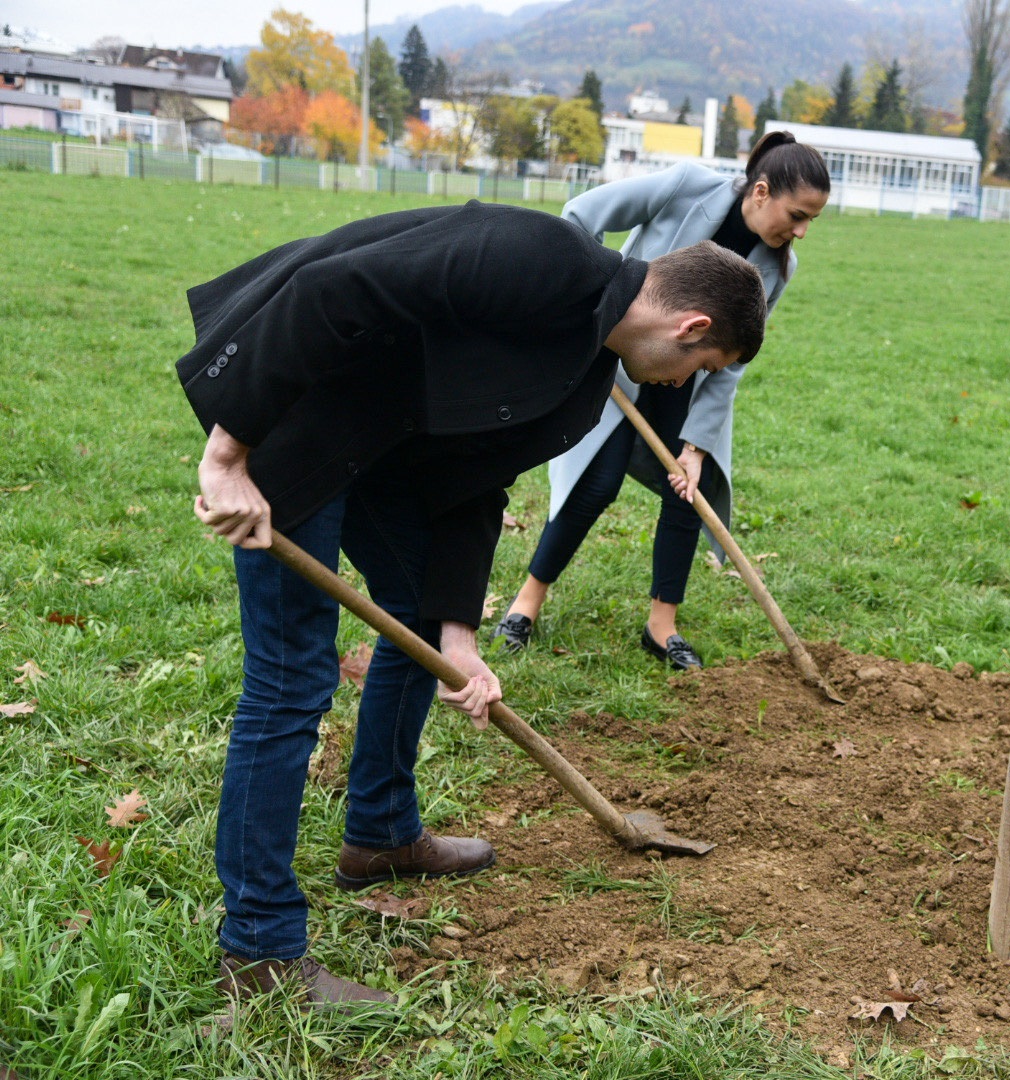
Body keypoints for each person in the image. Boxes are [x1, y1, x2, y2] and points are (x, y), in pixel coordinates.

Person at [178, 201, 765, 1008]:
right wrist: (228, 454)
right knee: (290, 682)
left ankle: (379, 836)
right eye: (701, 365)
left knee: (418, 611)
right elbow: (328, 290)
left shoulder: (585, 381)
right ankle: (260, 951)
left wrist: (459, 635)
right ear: (690, 325)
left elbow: (473, 480)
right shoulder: (544, 258)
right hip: (293, 413)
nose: (684, 384)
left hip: (377, 439)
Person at [491, 132, 830, 669]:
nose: (803, 230)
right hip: (620, 365)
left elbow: (733, 361)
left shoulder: (778, 268)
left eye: (813, 219)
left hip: (685, 382)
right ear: (761, 191)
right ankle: (526, 603)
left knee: (686, 493)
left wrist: (697, 444)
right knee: (594, 483)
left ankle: (661, 625)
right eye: (798, 213)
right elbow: (580, 215)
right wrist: (597, 305)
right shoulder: (685, 185)